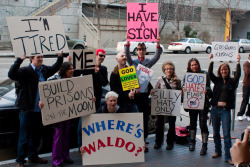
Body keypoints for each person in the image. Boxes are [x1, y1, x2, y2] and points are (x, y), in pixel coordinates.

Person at [8, 53, 63, 167]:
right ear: (31, 59)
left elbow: (56, 67)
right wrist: (18, 60)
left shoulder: (43, 70)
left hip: (40, 110)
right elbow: (12, 74)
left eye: (42, 57)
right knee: (24, 137)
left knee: (36, 136)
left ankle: (33, 156)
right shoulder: (25, 71)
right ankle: (20, 160)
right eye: (38, 57)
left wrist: (60, 57)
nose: (41, 59)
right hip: (27, 110)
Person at [125, 36, 162, 151]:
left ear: (145, 50)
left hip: (144, 94)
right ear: (136, 51)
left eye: (143, 49)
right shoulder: (133, 62)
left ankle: (144, 138)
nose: (141, 51)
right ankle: (134, 139)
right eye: (139, 49)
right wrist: (127, 44)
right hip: (134, 95)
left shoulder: (148, 63)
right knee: (135, 117)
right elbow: (127, 56)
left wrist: (157, 44)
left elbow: (157, 56)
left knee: (144, 117)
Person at [39, 62, 74, 167]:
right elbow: (45, 93)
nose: (72, 71)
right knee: (58, 136)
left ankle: (65, 156)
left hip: (67, 112)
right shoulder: (53, 79)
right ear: (64, 70)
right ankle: (56, 160)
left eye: (73, 69)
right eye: (70, 69)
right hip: (56, 113)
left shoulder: (72, 79)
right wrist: (42, 102)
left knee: (66, 134)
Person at [208, 54, 241, 165]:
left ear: (228, 70)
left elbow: (238, 76)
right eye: (222, 69)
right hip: (214, 110)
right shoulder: (217, 81)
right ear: (220, 71)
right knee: (215, 132)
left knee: (226, 134)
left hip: (225, 111)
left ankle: (228, 156)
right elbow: (209, 74)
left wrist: (238, 62)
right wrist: (211, 61)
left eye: (226, 69)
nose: (224, 71)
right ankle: (218, 151)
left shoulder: (232, 82)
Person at [183, 58, 212, 155]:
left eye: (195, 64)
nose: (194, 66)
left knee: (203, 124)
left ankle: (204, 145)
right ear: (189, 66)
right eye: (192, 65)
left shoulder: (205, 74)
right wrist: (184, 88)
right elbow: (184, 86)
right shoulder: (187, 75)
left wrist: (206, 90)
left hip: (202, 103)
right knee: (192, 123)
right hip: (192, 103)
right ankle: (192, 142)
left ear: (198, 65)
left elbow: (209, 87)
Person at [152, 61, 181, 150]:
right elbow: (156, 89)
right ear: (164, 70)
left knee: (172, 125)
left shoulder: (177, 80)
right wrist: (153, 92)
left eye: (170, 69)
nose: (169, 70)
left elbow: (179, 92)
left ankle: (170, 142)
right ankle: (158, 141)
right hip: (161, 105)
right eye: (167, 69)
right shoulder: (160, 79)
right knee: (159, 124)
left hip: (172, 105)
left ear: (173, 70)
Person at [237, 54, 250, 121]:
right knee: (245, 99)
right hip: (247, 85)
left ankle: (248, 114)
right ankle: (240, 114)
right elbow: (247, 72)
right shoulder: (246, 64)